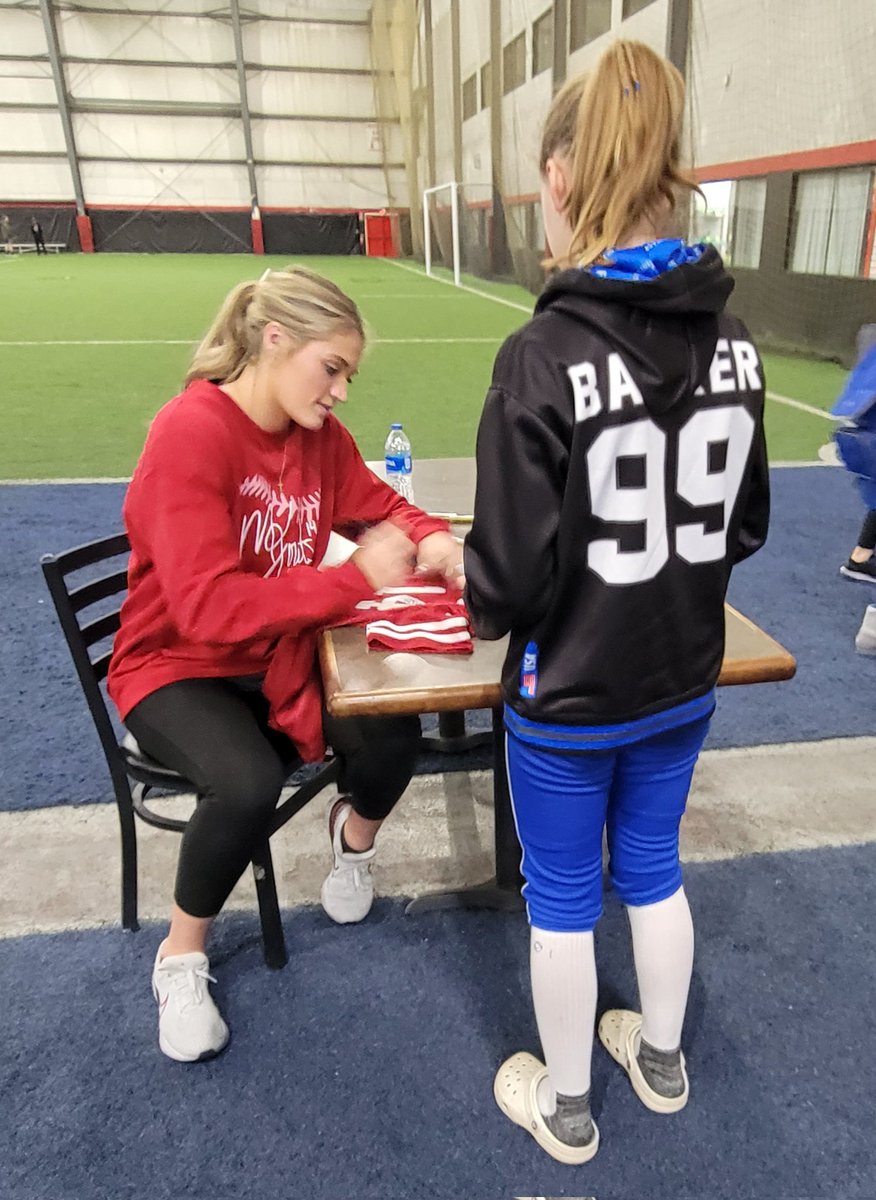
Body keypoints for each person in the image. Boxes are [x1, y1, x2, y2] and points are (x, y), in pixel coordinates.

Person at [463, 39, 769, 1164]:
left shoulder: (541, 355)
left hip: (571, 690)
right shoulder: (735, 341)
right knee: (652, 866)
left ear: (560, 177)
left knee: (560, 896)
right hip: (682, 679)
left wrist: (490, 586)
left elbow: (500, 584)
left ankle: (570, 1105)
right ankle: (665, 1062)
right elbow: (745, 527)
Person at [107, 266, 462, 1063]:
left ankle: (354, 839)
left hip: (271, 651)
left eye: (348, 375)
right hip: (175, 664)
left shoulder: (317, 439)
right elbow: (206, 607)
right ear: (275, 340)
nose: (340, 391)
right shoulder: (189, 432)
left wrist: (431, 537)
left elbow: (376, 499)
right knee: (244, 781)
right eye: (331, 368)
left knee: (392, 732)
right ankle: (181, 958)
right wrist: (351, 580)